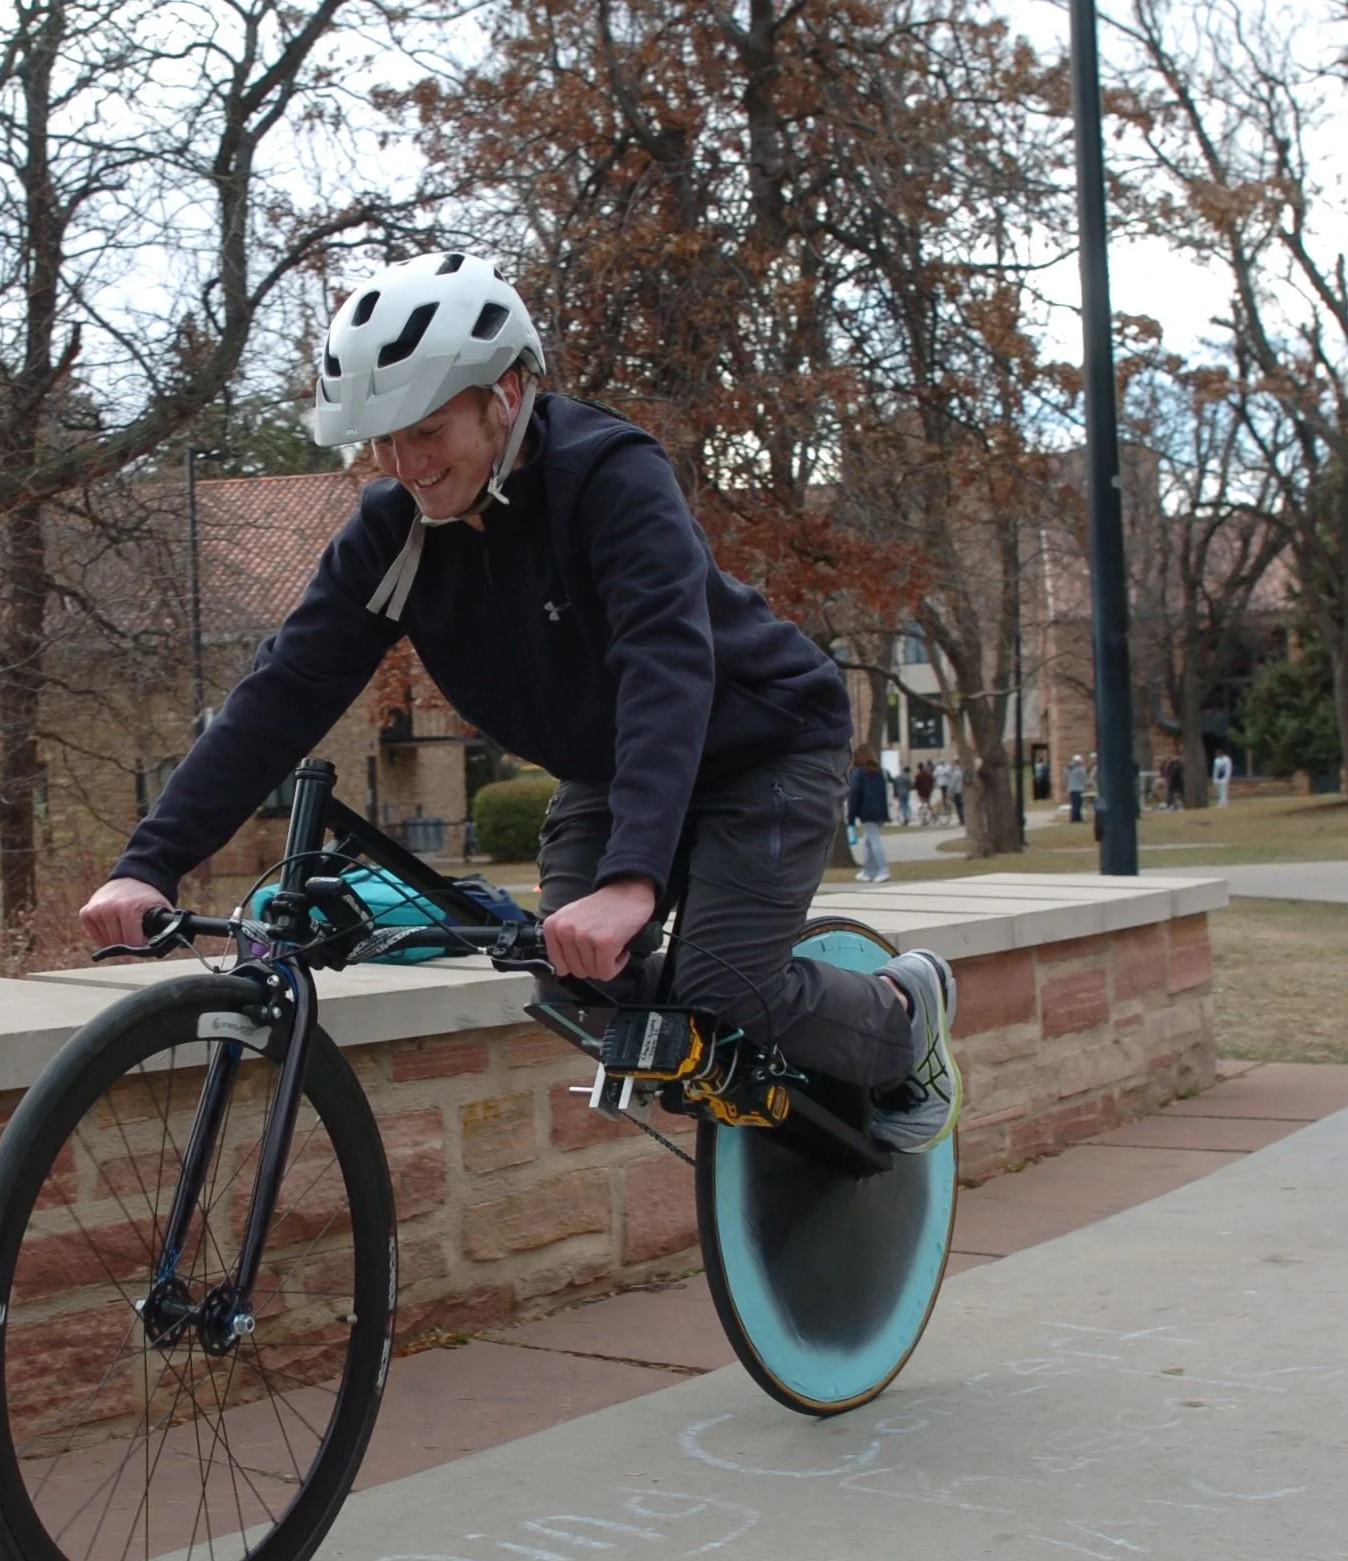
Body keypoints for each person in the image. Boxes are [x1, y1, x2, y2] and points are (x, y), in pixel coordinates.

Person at [80, 252, 960, 1152]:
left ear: (504, 394)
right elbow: (284, 692)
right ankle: (742, 1032)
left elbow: (665, 664)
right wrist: (152, 862)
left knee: (722, 988)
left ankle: (899, 1007)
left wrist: (629, 882)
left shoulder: (610, 477)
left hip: (760, 749)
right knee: (574, 979)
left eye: (427, 430)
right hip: (612, 771)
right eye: (382, 441)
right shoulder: (394, 534)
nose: (405, 464)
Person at [848, 749, 893, 885]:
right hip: (880, 811)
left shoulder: (858, 773)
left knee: (874, 841)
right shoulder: (880, 772)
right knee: (868, 841)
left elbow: (854, 795)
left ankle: (883, 870)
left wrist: (851, 817)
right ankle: (869, 871)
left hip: (867, 811)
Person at [1066, 754, 1088, 825]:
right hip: (1079, 789)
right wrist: (1085, 786)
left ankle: (1076, 818)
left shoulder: (1068, 769)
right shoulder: (1081, 769)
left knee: (1074, 804)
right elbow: (1084, 779)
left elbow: (1066, 778)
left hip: (1072, 789)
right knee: (1078, 805)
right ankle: (1076, 818)